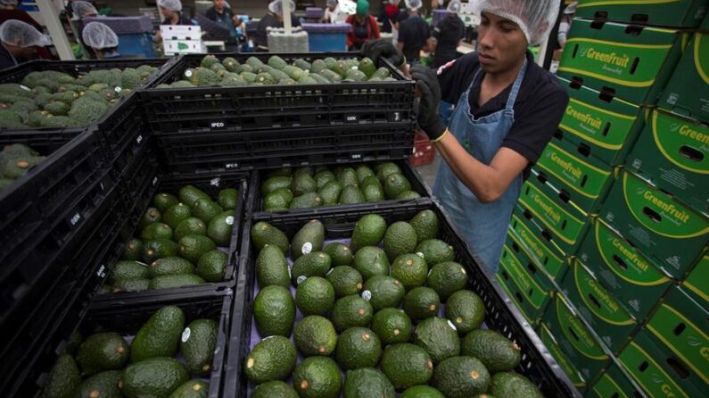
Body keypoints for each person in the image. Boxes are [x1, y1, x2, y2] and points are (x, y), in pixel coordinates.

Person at [364, 0, 569, 271]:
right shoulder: (471, 66)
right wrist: (398, 65)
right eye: (485, 22)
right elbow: (421, 88)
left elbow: (491, 186)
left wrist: (436, 128)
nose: (485, 40)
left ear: (537, 29)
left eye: (506, 28)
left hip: (480, 233)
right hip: (438, 212)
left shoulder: (544, 95)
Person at [431, 0, 464, 68]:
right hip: (451, 57)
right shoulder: (462, 25)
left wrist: (433, 51)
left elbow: (434, 41)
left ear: (448, 8)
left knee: (435, 76)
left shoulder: (442, 22)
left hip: (439, 56)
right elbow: (459, 43)